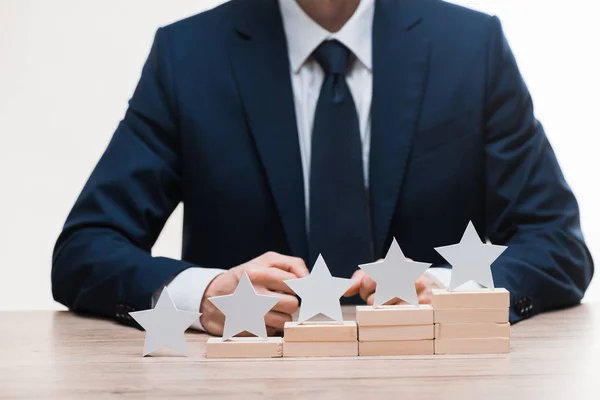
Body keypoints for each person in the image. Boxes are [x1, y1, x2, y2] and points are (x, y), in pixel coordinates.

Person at [52, 0, 594, 336]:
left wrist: (454, 289)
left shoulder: (472, 48)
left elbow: (558, 246)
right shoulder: (188, 56)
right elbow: (85, 250)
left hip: (437, 381)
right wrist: (206, 294)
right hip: (245, 384)